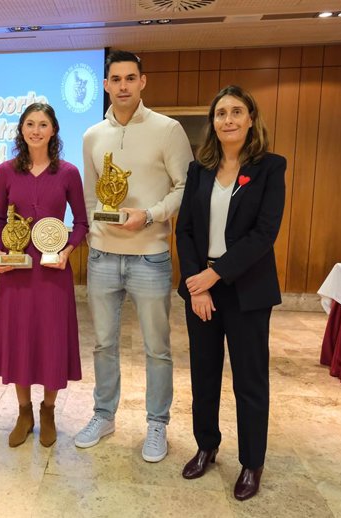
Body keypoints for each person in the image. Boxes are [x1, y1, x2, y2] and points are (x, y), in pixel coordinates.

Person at [76, 50, 193, 462]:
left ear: (143, 81)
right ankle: (104, 415)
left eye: (130, 78)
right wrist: (93, 232)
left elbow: (184, 187)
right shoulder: (92, 135)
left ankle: (157, 424)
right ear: (106, 85)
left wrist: (151, 215)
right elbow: (90, 195)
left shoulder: (168, 130)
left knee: (157, 348)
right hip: (103, 256)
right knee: (104, 344)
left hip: (150, 256)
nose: (123, 85)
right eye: (115, 79)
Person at [175, 85, 286, 501]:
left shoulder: (270, 168)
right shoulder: (199, 170)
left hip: (247, 292)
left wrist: (214, 275)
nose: (228, 120)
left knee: (249, 381)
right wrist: (196, 282)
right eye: (221, 113)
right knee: (204, 374)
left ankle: (252, 462)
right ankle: (207, 445)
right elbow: (184, 230)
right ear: (213, 122)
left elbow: (263, 234)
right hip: (201, 290)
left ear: (251, 118)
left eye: (237, 112)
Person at [0, 103, 88, 447]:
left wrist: (66, 252)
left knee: (49, 340)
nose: (35, 130)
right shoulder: (5, 171)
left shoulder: (68, 173)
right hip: (16, 271)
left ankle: (47, 411)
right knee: (19, 339)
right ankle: (23, 411)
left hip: (52, 272)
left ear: (54, 130)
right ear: (21, 130)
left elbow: (82, 222)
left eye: (42, 124)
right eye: (29, 124)